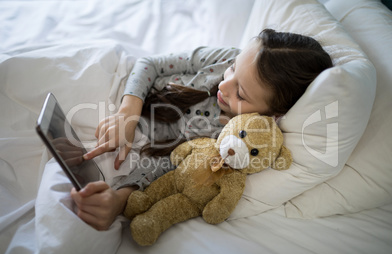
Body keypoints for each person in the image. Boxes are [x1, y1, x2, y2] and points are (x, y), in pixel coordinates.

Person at [70, 28, 333, 230]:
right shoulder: (223, 59)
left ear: (272, 115)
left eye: (240, 94)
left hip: (140, 140)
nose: (224, 85)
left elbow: (168, 168)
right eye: (233, 68)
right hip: (129, 91)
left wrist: (119, 199)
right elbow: (150, 64)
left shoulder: (231, 141)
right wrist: (127, 112)